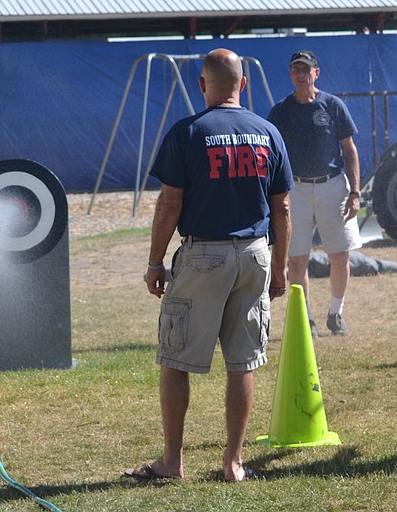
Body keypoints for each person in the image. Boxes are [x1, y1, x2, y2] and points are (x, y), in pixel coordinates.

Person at [125, 48, 293, 483]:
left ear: (202, 85)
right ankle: (233, 463)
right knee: (242, 361)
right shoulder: (268, 132)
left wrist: (154, 261)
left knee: (177, 359)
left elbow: (170, 203)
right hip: (255, 253)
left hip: (202, 255)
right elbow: (283, 209)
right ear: (243, 85)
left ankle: (172, 462)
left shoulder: (188, 132)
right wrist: (279, 267)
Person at [267, 49, 362, 337]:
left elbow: (349, 150)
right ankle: (304, 317)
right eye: (296, 70)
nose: (300, 75)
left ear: (316, 74)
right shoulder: (281, 110)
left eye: (306, 70)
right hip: (295, 189)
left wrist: (355, 193)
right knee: (297, 258)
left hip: (333, 185)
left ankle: (336, 313)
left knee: (339, 254)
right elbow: (271, 153)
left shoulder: (332, 105)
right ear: (290, 74)